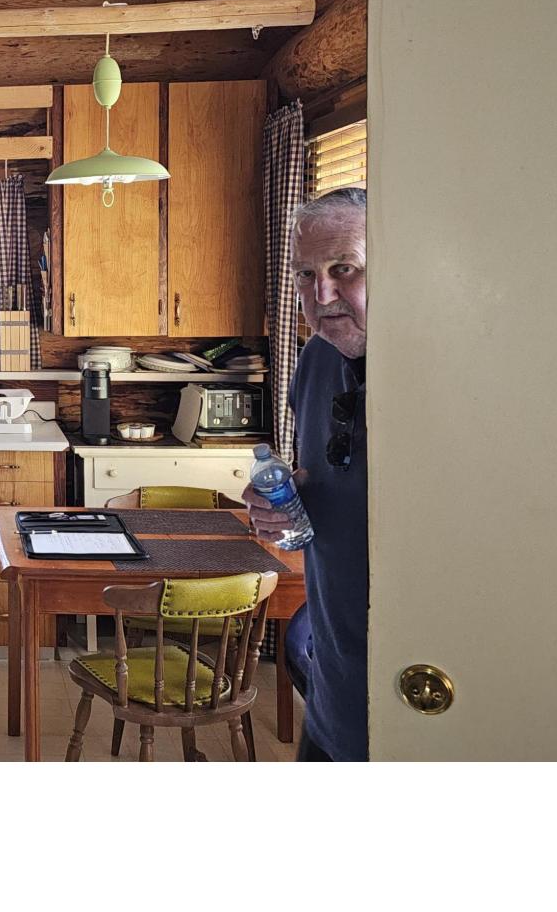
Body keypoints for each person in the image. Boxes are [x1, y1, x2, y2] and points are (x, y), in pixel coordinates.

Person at [242, 186, 368, 761]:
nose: (322, 296)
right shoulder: (315, 359)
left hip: (413, 693)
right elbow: (317, 475)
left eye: (345, 269)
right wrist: (281, 500)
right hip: (333, 687)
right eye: (305, 274)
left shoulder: (436, 373)